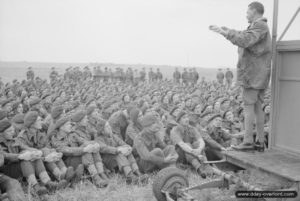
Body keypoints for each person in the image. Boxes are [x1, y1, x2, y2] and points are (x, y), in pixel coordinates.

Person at [209, 1, 271, 151]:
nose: (246, 14)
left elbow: (245, 40)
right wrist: (227, 30)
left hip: (253, 75)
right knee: (257, 107)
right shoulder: (259, 26)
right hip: (258, 74)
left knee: (248, 107)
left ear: (255, 11)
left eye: (248, 11)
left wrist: (225, 33)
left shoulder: (260, 26)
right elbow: (244, 34)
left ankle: (248, 141)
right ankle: (260, 141)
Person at [170, 111, 214, 178]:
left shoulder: (192, 128)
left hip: (193, 154)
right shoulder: (174, 131)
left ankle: (206, 165)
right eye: (184, 118)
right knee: (187, 144)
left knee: (197, 144)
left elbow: (201, 141)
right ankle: (199, 168)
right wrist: (195, 152)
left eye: (187, 117)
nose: (187, 119)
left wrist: (199, 149)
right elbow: (182, 145)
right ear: (179, 120)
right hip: (180, 156)